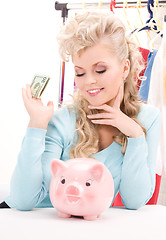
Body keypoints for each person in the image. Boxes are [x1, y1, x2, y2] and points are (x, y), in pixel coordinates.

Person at [0, 11, 161, 210]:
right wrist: (36, 126)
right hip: (33, 223)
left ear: (125, 68)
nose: (88, 82)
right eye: (80, 72)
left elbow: (134, 201)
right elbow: (24, 201)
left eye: (100, 70)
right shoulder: (63, 120)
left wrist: (134, 134)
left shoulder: (148, 119)